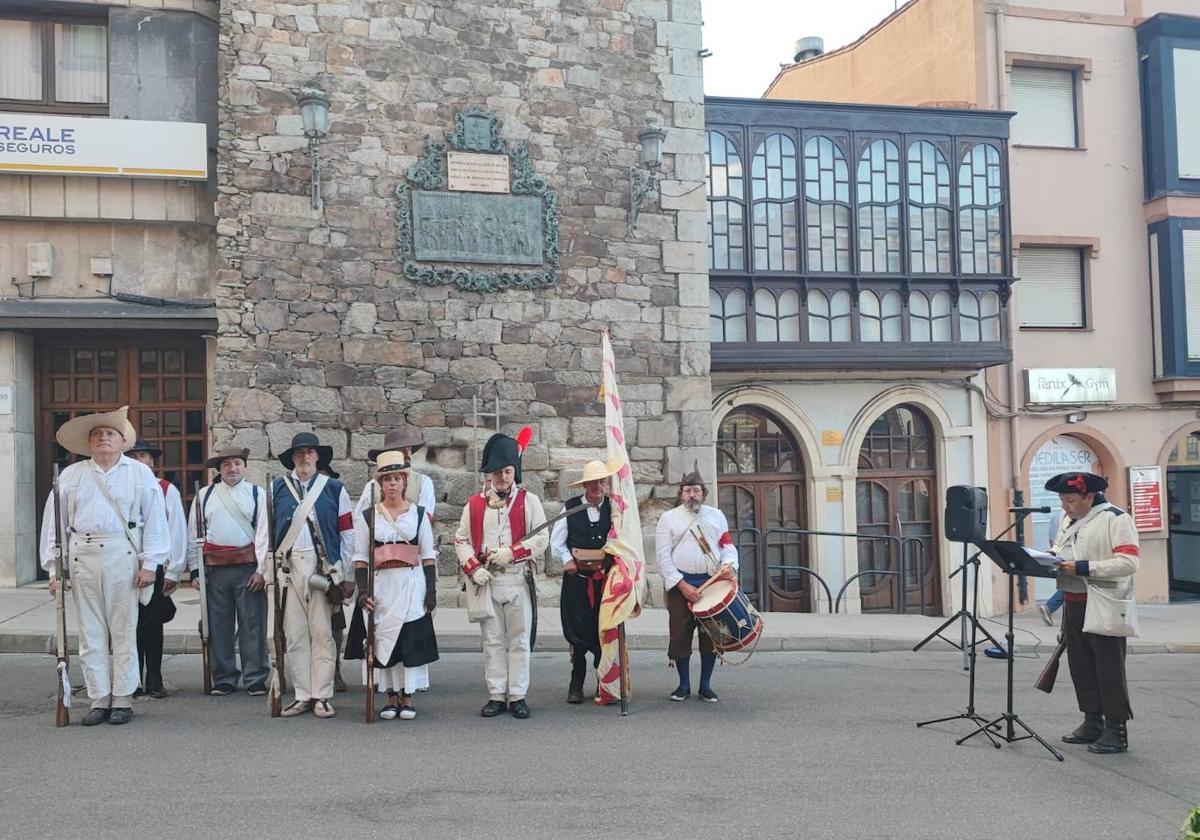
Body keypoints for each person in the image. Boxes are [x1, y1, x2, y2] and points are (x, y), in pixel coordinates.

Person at [38, 406, 170, 726]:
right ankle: (99, 697)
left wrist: (150, 563)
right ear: (89, 442)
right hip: (82, 555)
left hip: (121, 555)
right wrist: (56, 570)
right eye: (97, 435)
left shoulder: (139, 474)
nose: (103, 439)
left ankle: (123, 697)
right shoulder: (72, 475)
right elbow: (54, 526)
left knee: (124, 629)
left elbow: (154, 521)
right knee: (91, 633)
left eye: (109, 434)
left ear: (122, 440)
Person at [454, 431, 548, 719]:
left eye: (507, 471)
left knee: (518, 640)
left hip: (518, 578)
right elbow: (461, 540)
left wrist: (513, 553)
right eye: (498, 472)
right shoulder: (474, 504)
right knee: (492, 640)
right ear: (490, 474)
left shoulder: (529, 501)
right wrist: (474, 568)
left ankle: (518, 695)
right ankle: (496, 694)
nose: (503, 477)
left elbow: (542, 537)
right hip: (488, 581)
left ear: (514, 472)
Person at [1046, 471, 1140, 754]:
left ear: (1089, 496)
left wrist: (1085, 567)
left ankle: (1116, 729)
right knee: (1081, 666)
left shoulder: (1115, 518)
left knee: (1108, 668)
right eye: (1062, 499)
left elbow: (1128, 562)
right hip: (1073, 601)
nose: (1065, 505)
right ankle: (1092, 721)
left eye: (1071, 499)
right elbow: (1061, 548)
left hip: (1104, 602)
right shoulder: (1068, 520)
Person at [345, 450, 439, 720]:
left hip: (411, 582)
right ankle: (389, 696)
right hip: (381, 585)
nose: (392, 484)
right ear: (380, 484)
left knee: (408, 638)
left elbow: (428, 554)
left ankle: (407, 696)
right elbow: (361, 557)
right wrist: (363, 592)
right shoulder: (368, 517)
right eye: (387, 479)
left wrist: (431, 590)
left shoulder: (418, 515)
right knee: (384, 638)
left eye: (397, 479)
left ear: (404, 482)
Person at [271, 432, 354, 719]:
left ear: (318, 457)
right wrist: (266, 570)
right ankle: (302, 694)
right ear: (292, 458)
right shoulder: (277, 489)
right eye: (299, 452)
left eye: (310, 452)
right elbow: (264, 534)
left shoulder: (334, 489)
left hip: (322, 569)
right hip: (288, 567)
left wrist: (347, 574)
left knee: (322, 634)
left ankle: (322, 694)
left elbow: (347, 534)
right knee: (294, 635)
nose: (305, 457)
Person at [186, 447, 270, 696]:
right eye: (226, 465)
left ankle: (255, 676)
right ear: (219, 469)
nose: (232, 469)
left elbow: (265, 536)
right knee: (218, 626)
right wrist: (194, 571)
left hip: (248, 568)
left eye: (237, 464)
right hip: (215, 570)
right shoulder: (204, 495)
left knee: (252, 625)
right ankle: (224, 677)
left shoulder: (258, 494)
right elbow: (195, 536)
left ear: (244, 467)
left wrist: (262, 570)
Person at [655, 461, 738, 703]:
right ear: (681, 493)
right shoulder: (668, 519)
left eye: (697, 490)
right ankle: (683, 685)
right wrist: (682, 585)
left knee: (711, 634)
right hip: (681, 585)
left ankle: (705, 685)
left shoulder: (717, 516)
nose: (693, 494)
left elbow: (727, 546)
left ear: (704, 493)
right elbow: (662, 557)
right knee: (680, 635)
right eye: (688, 490)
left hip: (711, 584)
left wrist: (729, 566)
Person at [549, 459, 617, 704]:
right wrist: (567, 560)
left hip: (605, 582)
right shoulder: (571, 508)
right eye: (594, 482)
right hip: (577, 581)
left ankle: (604, 684)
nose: (599, 486)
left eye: (602, 481)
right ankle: (575, 684)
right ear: (585, 485)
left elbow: (623, 541)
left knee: (603, 633)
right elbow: (556, 542)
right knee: (577, 634)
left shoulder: (615, 509)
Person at [125, 439, 187, 699]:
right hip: (125, 565)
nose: (141, 460)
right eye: (135, 456)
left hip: (155, 566)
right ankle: (132, 678)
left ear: (152, 461)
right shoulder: (123, 488)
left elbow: (176, 530)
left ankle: (154, 677)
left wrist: (174, 570)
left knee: (152, 624)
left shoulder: (164, 489)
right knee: (128, 625)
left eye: (144, 456)